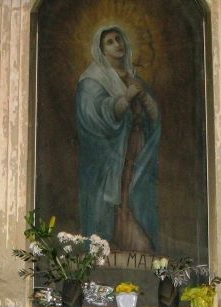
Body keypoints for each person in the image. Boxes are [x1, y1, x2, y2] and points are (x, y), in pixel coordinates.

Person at [75, 25, 161, 253]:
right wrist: (127, 97)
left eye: (119, 39)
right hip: (110, 153)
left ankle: (129, 238)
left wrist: (142, 97)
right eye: (110, 42)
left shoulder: (134, 77)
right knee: (116, 194)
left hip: (136, 146)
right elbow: (95, 116)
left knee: (130, 192)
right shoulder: (92, 80)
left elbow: (153, 117)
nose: (117, 44)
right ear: (101, 50)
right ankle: (110, 240)